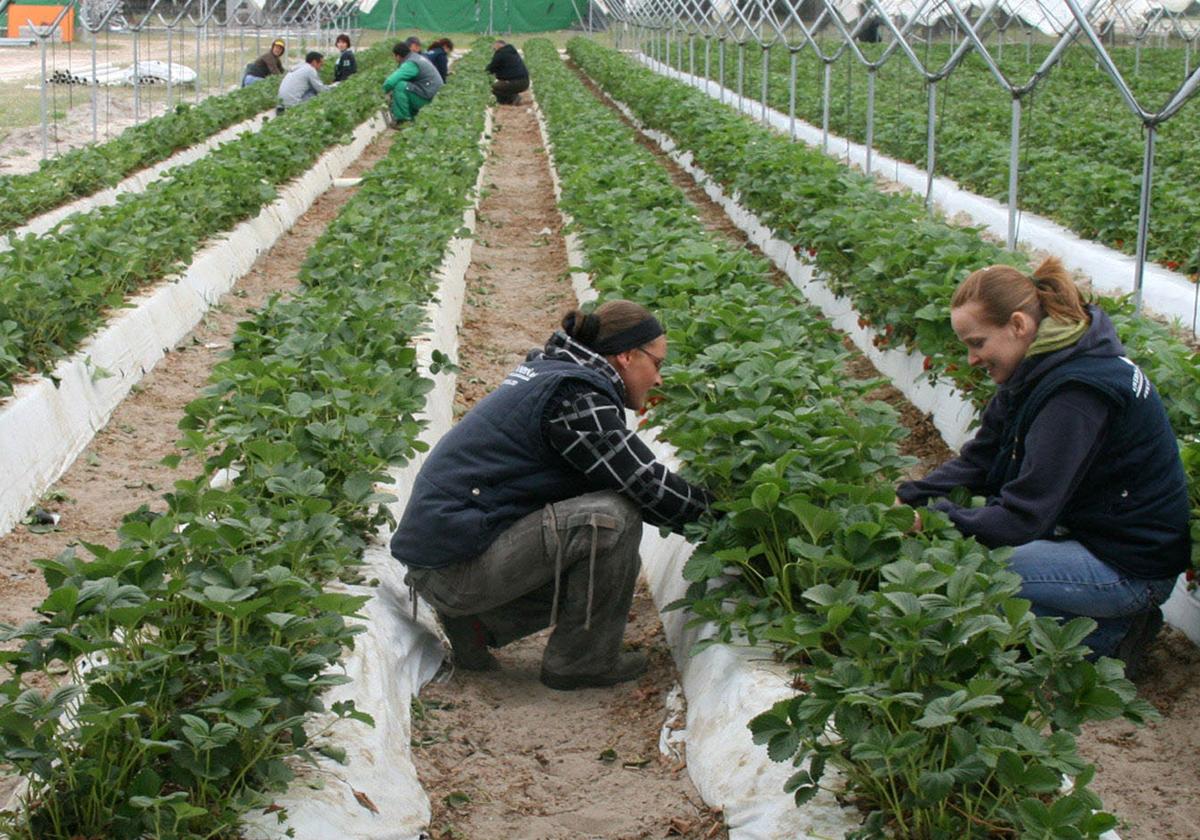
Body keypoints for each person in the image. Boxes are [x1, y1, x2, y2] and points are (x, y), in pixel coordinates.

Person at [391, 301, 713, 690]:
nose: (659, 379)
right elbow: (643, 484)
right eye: (658, 364)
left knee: (604, 527)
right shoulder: (576, 398)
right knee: (612, 518)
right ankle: (582, 662)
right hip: (454, 570)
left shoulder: (557, 373)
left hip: (450, 556)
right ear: (627, 356)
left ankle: (480, 625)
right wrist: (726, 522)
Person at [896, 257, 1189, 675]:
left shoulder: (1076, 395)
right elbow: (980, 458)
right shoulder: (1039, 367)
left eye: (977, 342)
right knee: (972, 573)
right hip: (1090, 539)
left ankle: (1111, 636)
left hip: (1130, 569)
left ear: (1018, 325)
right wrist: (910, 496)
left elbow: (1023, 517)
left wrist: (936, 520)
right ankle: (1097, 620)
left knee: (975, 576)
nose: (972, 358)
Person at [382, 41, 443, 126]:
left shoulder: (411, 64)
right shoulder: (417, 57)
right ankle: (412, 116)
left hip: (429, 100)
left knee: (400, 86)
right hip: (434, 95)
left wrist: (380, 93)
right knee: (407, 87)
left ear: (398, 56)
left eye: (394, 56)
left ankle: (403, 121)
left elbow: (391, 81)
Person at [485, 39, 529, 105]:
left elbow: (491, 68)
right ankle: (512, 98)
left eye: (494, 48)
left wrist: (481, 72)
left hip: (515, 82)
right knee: (503, 85)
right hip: (525, 82)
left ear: (498, 46)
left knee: (493, 87)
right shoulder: (512, 52)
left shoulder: (500, 54)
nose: (494, 50)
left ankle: (512, 99)